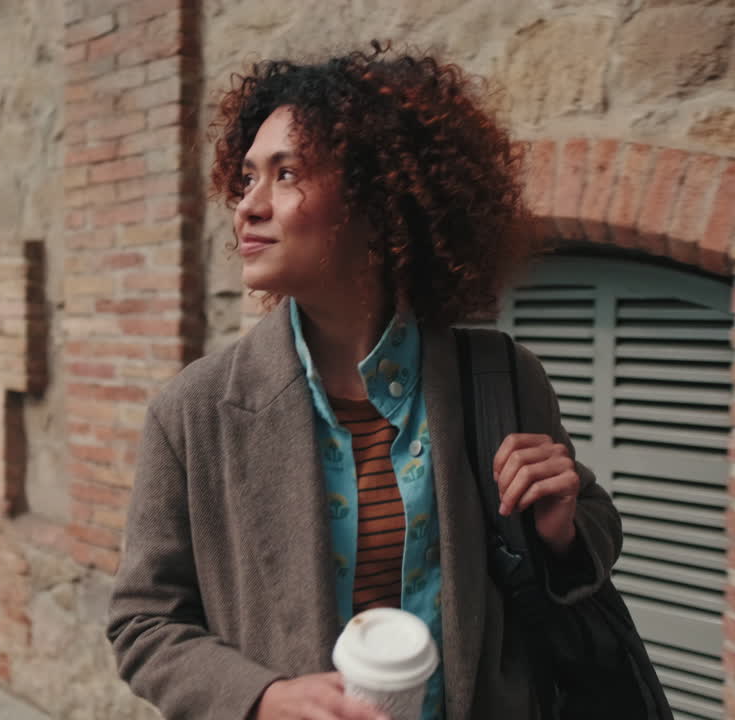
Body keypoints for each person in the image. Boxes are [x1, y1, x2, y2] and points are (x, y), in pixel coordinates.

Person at [107, 43, 622, 720]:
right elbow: (143, 625)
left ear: (378, 200)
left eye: (286, 174)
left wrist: (560, 531)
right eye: (247, 178)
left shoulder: (501, 377)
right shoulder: (195, 413)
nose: (248, 207)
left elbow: (589, 542)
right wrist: (262, 699)